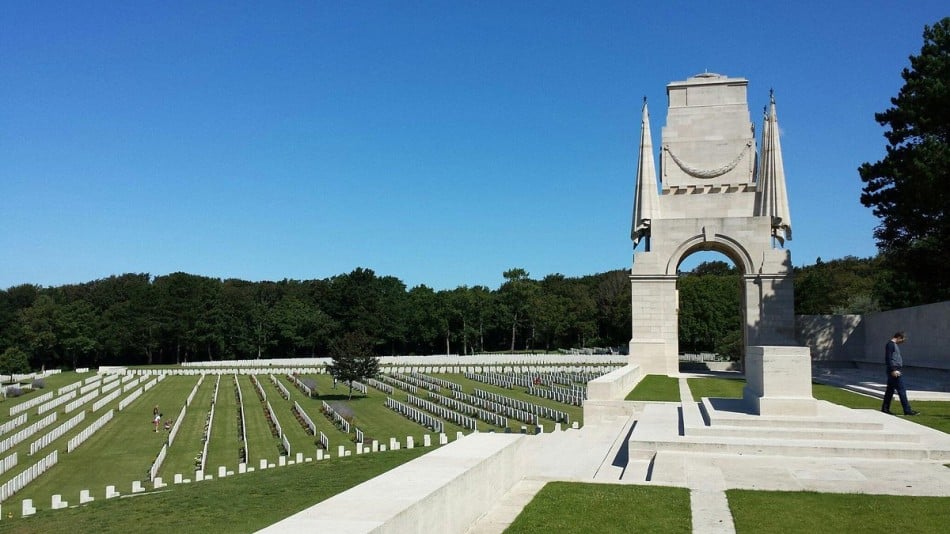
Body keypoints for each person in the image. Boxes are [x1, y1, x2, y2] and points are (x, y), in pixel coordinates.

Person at [881, 331, 920, 416]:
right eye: (902, 340)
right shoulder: (890, 344)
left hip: (894, 369)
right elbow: (888, 358)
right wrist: (893, 370)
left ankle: (885, 408)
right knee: (901, 390)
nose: (902, 342)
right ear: (898, 337)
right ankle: (907, 410)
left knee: (890, 390)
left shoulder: (892, 345)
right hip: (894, 370)